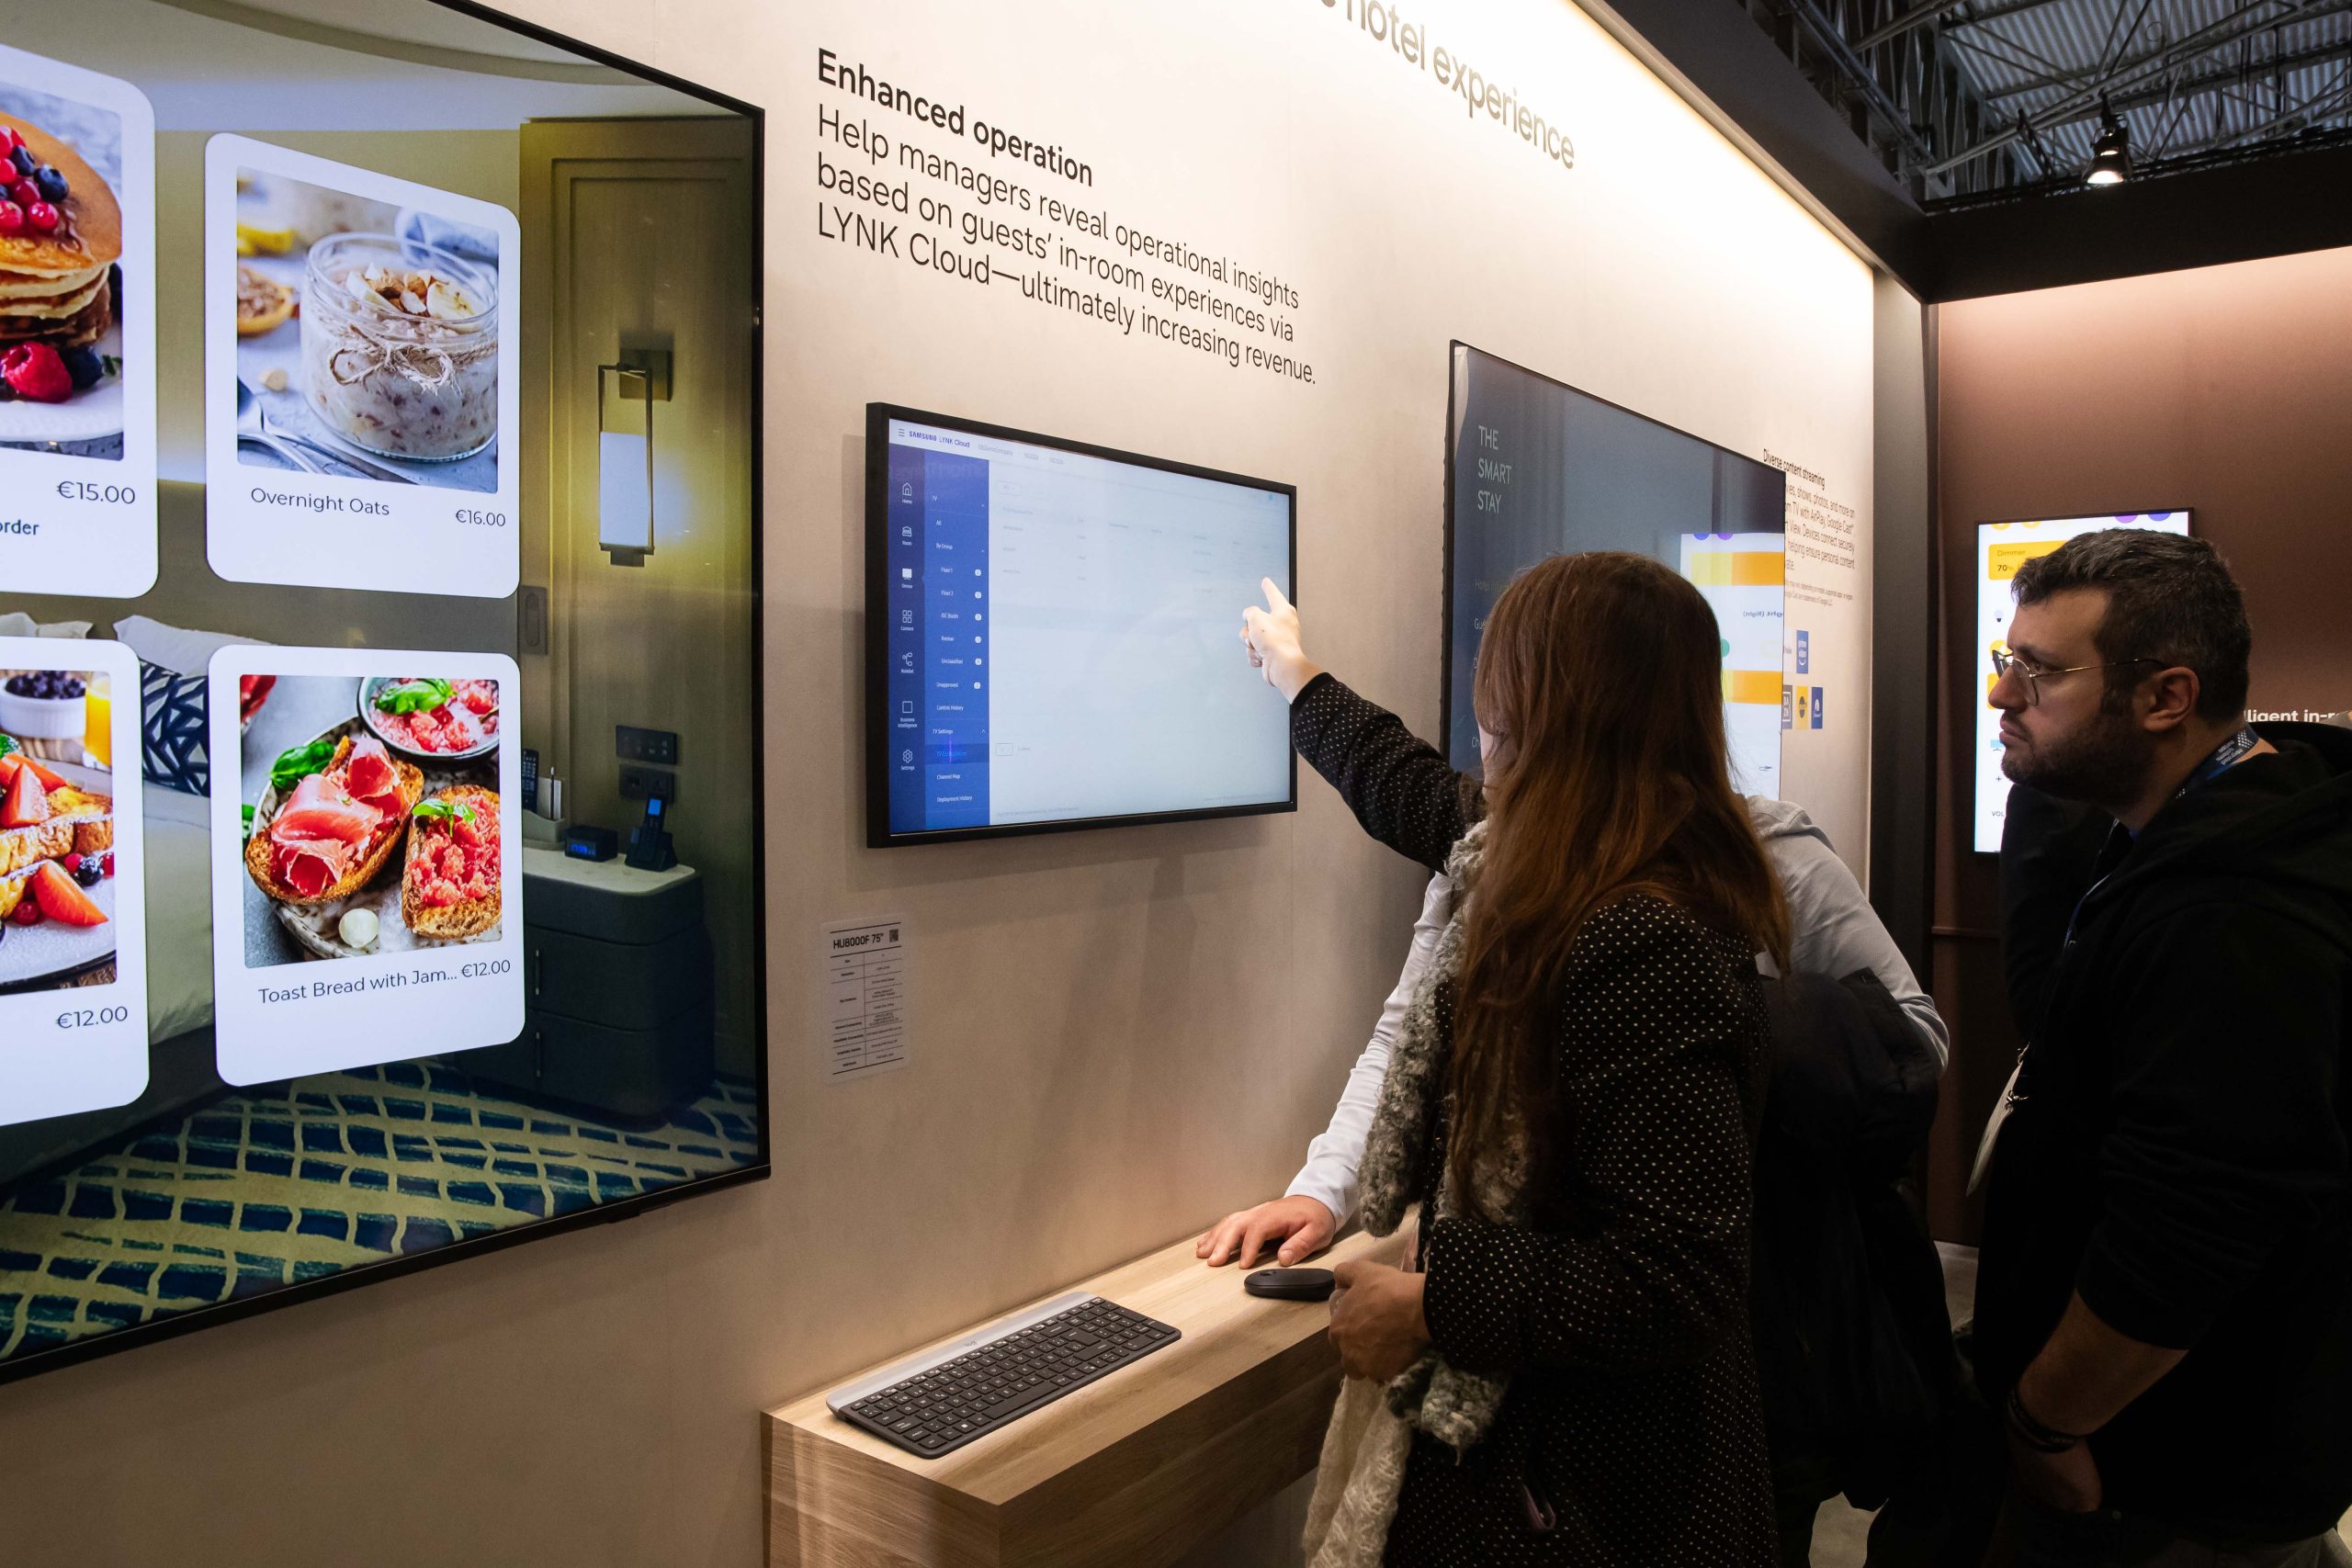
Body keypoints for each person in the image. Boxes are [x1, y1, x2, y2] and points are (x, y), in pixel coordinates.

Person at [1206, 579, 1957, 1565]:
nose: (1483, 730)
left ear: (1543, 712)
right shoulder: (1564, 856)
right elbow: (1402, 781)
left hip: (1603, 1486)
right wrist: (1293, 670)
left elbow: (1674, 1279)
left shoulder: (1641, 933)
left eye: (1498, 691)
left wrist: (1432, 1302)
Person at [1973, 529, 2352, 1567]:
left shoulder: (2235, 908)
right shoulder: (2188, 835)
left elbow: (2193, 1225)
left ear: (2165, 697)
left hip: (2175, 1477)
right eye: (2007, 662)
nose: (2003, 695)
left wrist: (2045, 1422)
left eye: (2038, 671)